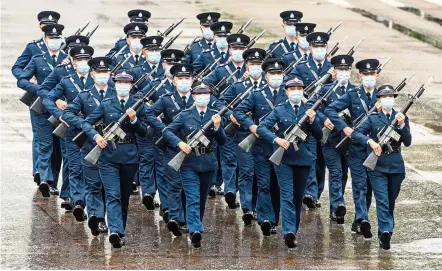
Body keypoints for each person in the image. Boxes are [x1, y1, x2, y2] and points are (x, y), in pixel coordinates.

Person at [82, 70, 161, 248]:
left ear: (131, 85)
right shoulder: (106, 104)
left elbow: (146, 133)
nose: (123, 86)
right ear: (115, 84)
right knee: (113, 195)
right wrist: (96, 136)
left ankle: (120, 229)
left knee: (124, 196)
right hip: (108, 156)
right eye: (119, 83)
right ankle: (115, 231)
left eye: (126, 83)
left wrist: (134, 120)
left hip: (130, 156)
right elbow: (86, 122)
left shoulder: (138, 105)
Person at [257, 76, 322, 248]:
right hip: (284, 159)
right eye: (292, 89)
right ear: (286, 92)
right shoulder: (279, 110)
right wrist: (276, 140)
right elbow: (262, 128)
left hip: (303, 158)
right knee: (286, 195)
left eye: (299, 89)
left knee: (297, 197)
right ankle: (288, 232)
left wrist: (313, 121)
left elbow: (319, 135)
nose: (296, 92)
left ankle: (294, 229)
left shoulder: (309, 110)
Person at [163, 85, 227, 248]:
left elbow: (223, 141)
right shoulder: (185, 115)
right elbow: (167, 131)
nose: (202, 97)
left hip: (208, 162)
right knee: (192, 197)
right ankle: (195, 230)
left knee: (202, 197)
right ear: (193, 96)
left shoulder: (215, 116)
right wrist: (180, 143)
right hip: (189, 162)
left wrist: (218, 128)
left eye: (206, 94)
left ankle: (194, 223)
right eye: (199, 94)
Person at [351, 85, 411, 250]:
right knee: (382, 200)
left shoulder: (401, 117)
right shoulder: (373, 118)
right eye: (384, 97)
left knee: (390, 201)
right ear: (379, 99)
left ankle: (386, 230)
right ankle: (385, 232)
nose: (388, 99)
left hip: (396, 167)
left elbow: (407, 142)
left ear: (394, 99)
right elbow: (356, 133)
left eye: (391, 96)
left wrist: (402, 125)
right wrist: (370, 142)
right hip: (377, 167)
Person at [325, 58, 380, 237]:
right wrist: (344, 127)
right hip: (356, 147)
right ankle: (363, 219)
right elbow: (330, 110)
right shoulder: (352, 95)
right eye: (366, 74)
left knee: (370, 187)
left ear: (377, 75)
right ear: (360, 75)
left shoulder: (383, 96)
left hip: (374, 148)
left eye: (372, 74)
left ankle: (359, 219)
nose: (369, 77)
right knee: (359, 185)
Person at [232, 57, 287, 233]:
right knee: (263, 183)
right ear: (266, 76)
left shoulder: (290, 94)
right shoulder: (257, 95)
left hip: (281, 147)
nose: (276, 76)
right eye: (273, 74)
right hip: (261, 146)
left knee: (277, 185)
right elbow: (238, 111)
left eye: (279, 73)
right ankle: (265, 219)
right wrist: (252, 126)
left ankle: (275, 218)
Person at [63, 56, 116, 235]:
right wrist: (85, 124)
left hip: (112, 145)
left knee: (107, 186)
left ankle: (105, 217)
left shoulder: (117, 94)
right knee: (93, 184)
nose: (103, 75)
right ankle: (97, 217)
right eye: (99, 72)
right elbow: (68, 113)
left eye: (105, 72)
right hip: (89, 144)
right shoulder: (85, 96)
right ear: (92, 74)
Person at [44, 45, 95, 221]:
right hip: (72, 128)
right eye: (79, 60)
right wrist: (59, 114)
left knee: (91, 168)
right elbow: (47, 98)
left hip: (92, 130)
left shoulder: (98, 81)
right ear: (73, 62)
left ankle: (89, 204)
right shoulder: (66, 81)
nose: (83, 63)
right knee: (74, 167)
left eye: (86, 60)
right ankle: (78, 202)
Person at [17, 23, 67, 198]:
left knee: (58, 148)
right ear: (45, 39)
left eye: (57, 38)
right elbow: (21, 80)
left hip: (60, 110)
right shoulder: (37, 58)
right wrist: (37, 88)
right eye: (51, 38)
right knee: (45, 144)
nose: (55, 41)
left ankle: (53, 178)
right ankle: (45, 179)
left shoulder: (67, 59)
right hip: (41, 108)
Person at [12, 11, 60, 186]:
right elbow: (17, 69)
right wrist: (31, 79)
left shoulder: (63, 49)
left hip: (59, 101)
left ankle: (50, 175)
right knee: (41, 137)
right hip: (38, 99)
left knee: (57, 140)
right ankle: (40, 171)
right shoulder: (33, 47)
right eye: (45, 25)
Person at [304, 55, 355, 214]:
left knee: (344, 172)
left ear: (351, 71)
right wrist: (323, 119)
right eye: (340, 70)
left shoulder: (356, 91)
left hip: (348, 139)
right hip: (330, 138)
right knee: (335, 171)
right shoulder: (326, 90)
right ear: (334, 71)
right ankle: (337, 206)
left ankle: (338, 201)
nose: (343, 72)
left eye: (346, 70)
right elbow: (312, 107)